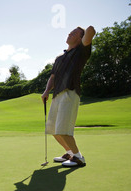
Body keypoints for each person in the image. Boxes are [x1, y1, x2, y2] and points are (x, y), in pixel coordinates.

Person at [42, 26, 96, 168]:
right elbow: (52, 77)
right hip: (56, 95)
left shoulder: (81, 51)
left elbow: (90, 31)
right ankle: (70, 152)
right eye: (70, 32)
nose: (69, 34)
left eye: (73, 33)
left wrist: (86, 32)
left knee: (63, 129)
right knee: (52, 130)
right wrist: (47, 91)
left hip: (70, 93)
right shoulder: (59, 58)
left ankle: (79, 157)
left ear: (79, 38)